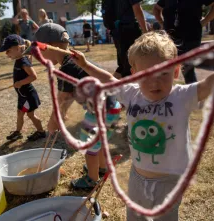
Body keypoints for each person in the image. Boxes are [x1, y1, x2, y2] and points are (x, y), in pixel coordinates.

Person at [71, 31, 214, 220]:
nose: (155, 81)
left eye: (164, 72)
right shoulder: (132, 94)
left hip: (170, 180)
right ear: (135, 75)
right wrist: (85, 64)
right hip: (137, 176)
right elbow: (109, 80)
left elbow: (206, 86)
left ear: (176, 71)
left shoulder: (182, 96)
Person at [34, 23, 121, 189]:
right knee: (99, 141)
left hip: (99, 111)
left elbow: (63, 99)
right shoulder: (78, 61)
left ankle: (91, 179)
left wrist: (54, 121)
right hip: (112, 107)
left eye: (41, 50)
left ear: (52, 46)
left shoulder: (67, 68)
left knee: (88, 146)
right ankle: (101, 168)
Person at [0, 34, 46, 141]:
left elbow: (34, 76)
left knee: (31, 115)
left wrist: (20, 82)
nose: (6, 53)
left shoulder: (23, 61)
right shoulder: (19, 59)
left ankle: (41, 132)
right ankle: (18, 132)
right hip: (22, 95)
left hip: (28, 95)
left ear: (18, 48)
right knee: (20, 113)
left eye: (8, 50)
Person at [153, 0, 214, 84]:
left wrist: (204, 21)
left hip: (191, 36)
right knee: (167, 67)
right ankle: (167, 92)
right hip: (170, 36)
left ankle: (192, 93)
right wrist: (162, 23)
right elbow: (156, 8)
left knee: (188, 69)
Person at [107, 0, 148, 79]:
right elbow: (137, 9)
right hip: (129, 31)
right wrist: (145, 31)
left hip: (116, 31)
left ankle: (107, 89)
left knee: (122, 66)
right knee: (130, 67)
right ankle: (113, 89)